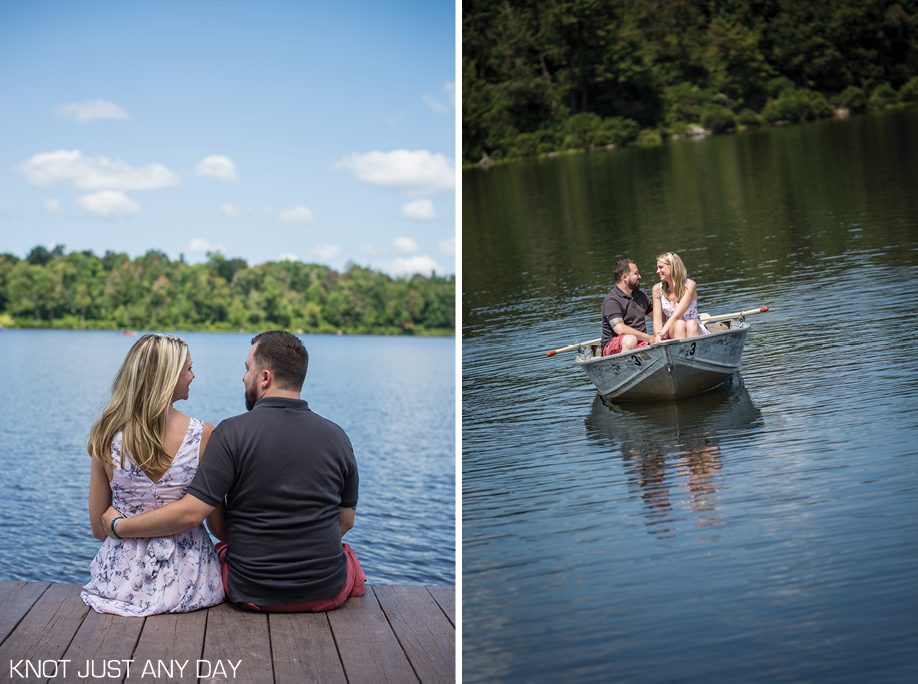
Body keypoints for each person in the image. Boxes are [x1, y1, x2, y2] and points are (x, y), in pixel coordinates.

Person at [101, 330, 365, 613]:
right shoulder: (338, 437)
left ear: (265, 378)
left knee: (221, 554)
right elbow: (345, 522)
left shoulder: (230, 433)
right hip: (325, 593)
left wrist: (120, 526)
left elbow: (199, 516)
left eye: (247, 369)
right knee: (348, 558)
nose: (243, 378)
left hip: (249, 592)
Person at [82, 334, 226, 616]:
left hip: (120, 584)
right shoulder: (205, 436)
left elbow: (100, 529)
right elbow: (218, 527)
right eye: (187, 368)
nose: (192, 376)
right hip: (193, 584)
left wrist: (123, 525)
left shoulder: (105, 434)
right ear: (168, 377)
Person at [601, 258, 656, 356]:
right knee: (630, 339)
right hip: (614, 347)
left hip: (641, 342)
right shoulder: (612, 300)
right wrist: (649, 338)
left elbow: (660, 317)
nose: (639, 276)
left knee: (676, 328)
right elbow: (620, 329)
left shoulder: (640, 295)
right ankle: (625, 370)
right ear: (625, 277)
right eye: (636, 274)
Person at [652, 251, 710, 340]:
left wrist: (661, 334)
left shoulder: (690, 285)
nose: (657, 271)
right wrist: (659, 336)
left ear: (672, 266)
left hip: (694, 329)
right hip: (673, 330)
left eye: (660, 267)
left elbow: (677, 316)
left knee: (691, 324)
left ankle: (692, 351)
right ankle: (681, 353)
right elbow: (657, 321)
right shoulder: (657, 289)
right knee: (679, 324)